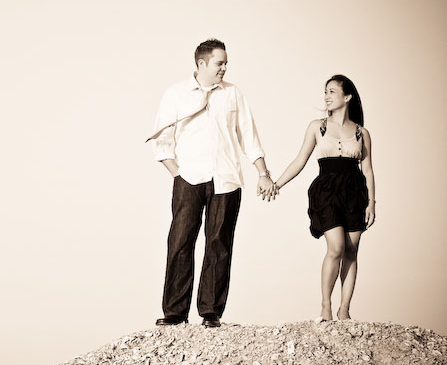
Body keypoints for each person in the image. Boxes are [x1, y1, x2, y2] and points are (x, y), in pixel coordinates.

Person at [147, 39, 277, 329]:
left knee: (219, 245)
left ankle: (211, 312)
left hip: (226, 179)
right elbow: (162, 141)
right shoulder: (176, 94)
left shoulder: (233, 94)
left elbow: (249, 135)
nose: (225, 68)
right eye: (220, 63)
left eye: (226, 63)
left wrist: (263, 173)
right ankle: (174, 313)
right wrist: (177, 174)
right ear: (202, 63)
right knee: (180, 242)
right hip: (189, 179)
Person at [274, 74, 376, 321]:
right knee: (336, 247)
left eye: (332, 91)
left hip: (355, 192)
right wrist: (277, 184)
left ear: (347, 97)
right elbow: (300, 160)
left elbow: (369, 170)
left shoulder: (362, 133)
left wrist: (372, 203)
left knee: (351, 251)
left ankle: (344, 309)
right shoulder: (317, 127)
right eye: (325, 92)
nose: (327, 96)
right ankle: (325, 306)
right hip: (326, 191)